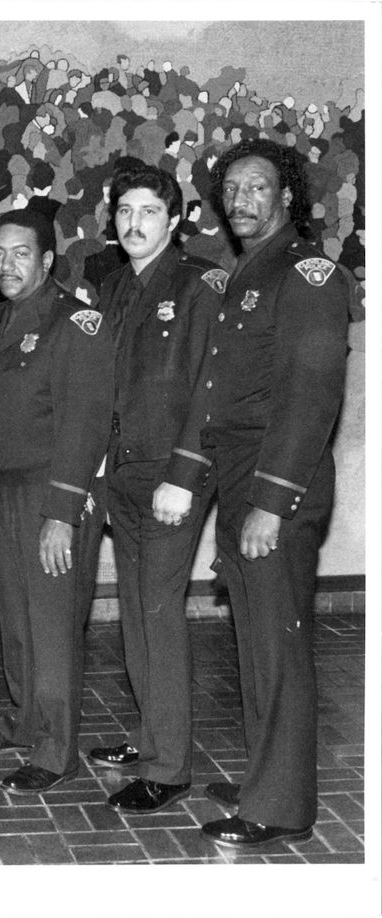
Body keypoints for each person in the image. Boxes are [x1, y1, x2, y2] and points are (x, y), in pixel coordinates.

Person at [154, 139, 348, 847]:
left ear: (287, 196)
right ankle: (270, 775)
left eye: (257, 187)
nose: (240, 200)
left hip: (275, 481)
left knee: (277, 647)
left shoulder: (310, 275)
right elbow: (219, 389)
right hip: (240, 473)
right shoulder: (248, 273)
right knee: (258, 644)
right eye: (231, 188)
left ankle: (280, 807)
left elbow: (309, 397)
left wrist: (271, 501)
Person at [87, 165, 225, 812]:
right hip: (123, 474)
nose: (134, 223)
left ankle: (168, 768)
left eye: (148, 212)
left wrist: (186, 472)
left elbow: (210, 384)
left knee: (161, 610)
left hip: (172, 478)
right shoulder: (111, 285)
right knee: (138, 606)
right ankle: (149, 736)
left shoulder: (198, 285)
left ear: (174, 220)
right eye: (124, 213)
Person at [0, 209, 113, 794]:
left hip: (52, 491)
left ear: (47, 260)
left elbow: (86, 425)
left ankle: (55, 752)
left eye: (20, 254)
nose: (7, 265)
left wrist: (61, 512)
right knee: (18, 620)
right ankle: (25, 721)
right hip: (3, 491)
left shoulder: (74, 323)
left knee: (53, 624)